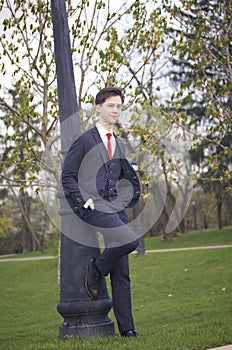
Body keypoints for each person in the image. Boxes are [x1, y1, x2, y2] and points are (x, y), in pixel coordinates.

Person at [61, 86, 141, 337]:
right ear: (98, 108)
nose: (115, 110)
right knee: (129, 239)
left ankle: (127, 330)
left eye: (118, 106)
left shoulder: (119, 144)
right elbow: (68, 176)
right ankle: (95, 268)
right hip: (93, 207)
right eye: (110, 105)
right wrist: (84, 199)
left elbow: (118, 177)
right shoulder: (84, 140)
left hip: (115, 208)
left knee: (123, 272)